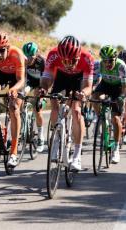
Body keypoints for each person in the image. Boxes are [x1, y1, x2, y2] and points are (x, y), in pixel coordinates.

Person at [39, 35, 94, 171]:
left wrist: (83, 94)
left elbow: (88, 86)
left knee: (76, 110)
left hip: (78, 79)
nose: (69, 65)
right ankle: (57, 137)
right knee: (54, 101)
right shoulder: (53, 55)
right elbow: (47, 78)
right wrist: (44, 89)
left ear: (78, 55)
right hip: (61, 78)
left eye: (72, 61)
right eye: (65, 61)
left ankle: (76, 155)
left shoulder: (87, 58)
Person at [0, 32, 26, 167]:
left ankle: (14, 152)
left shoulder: (17, 54)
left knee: (14, 108)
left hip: (16, 77)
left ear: (8, 48)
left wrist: (14, 89)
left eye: (2, 51)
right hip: (1, 73)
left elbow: (21, 80)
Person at [92, 45, 126, 163]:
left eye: (110, 61)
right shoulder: (98, 65)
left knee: (116, 118)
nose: (107, 64)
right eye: (105, 61)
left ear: (115, 58)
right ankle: (100, 117)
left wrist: (122, 97)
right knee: (95, 96)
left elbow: (125, 87)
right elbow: (94, 81)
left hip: (118, 88)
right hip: (105, 85)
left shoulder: (121, 66)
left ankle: (116, 148)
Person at [22, 42, 46, 152]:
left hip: (40, 83)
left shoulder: (42, 62)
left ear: (36, 54)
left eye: (31, 57)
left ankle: (41, 136)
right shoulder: (23, 60)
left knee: (37, 108)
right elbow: (21, 77)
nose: (28, 59)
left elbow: (46, 80)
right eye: (26, 56)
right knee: (21, 95)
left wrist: (42, 92)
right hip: (29, 82)